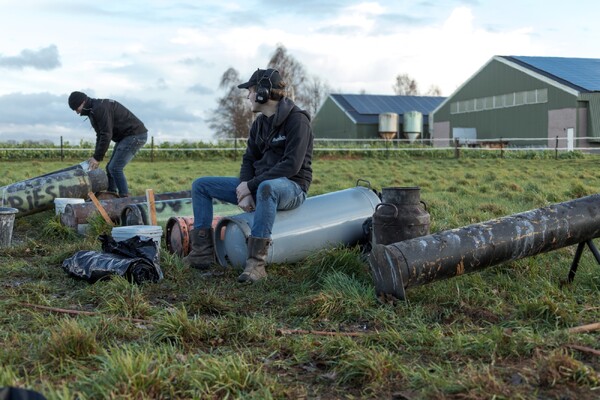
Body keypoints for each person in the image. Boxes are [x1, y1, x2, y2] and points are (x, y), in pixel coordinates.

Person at [184, 68, 314, 283]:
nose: (247, 96)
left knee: (268, 187)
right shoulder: (260, 124)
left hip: (291, 187)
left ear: (263, 93)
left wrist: (252, 186)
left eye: (251, 91)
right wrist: (244, 188)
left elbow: (291, 165)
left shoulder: (297, 121)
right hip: (260, 185)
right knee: (201, 185)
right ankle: (201, 253)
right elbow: (249, 159)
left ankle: (256, 264)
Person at [67, 91, 148, 197]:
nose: (77, 112)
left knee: (115, 168)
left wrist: (97, 158)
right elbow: (100, 136)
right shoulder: (93, 110)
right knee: (110, 167)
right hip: (125, 137)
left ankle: (125, 198)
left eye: (76, 108)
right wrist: (96, 156)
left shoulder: (99, 108)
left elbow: (106, 134)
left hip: (135, 135)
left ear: (82, 102)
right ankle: (112, 194)